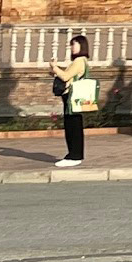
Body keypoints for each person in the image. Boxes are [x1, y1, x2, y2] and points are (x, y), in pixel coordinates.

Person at [51, 33, 94, 168]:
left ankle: (74, 155)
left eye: (74, 44)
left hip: (72, 96)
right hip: (75, 96)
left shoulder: (79, 61)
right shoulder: (82, 61)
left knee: (72, 126)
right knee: (74, 125)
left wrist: (55, 67)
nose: (72, 47)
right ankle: (74, 154)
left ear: (81, 45)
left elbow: (65, 76)